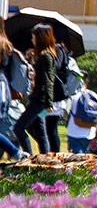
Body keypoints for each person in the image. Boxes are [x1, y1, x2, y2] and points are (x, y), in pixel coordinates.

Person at [23, 24, 67, 154]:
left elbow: (52, 72)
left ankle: (51, 153)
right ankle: (48, 152)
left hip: (53, 100)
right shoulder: (48, 52)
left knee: (48, 128)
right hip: (48, 99)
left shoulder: (55, 51)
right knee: (38, 126)